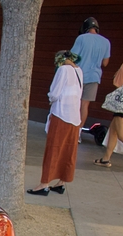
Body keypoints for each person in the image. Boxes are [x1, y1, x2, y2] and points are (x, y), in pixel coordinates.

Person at [27, 50, 83, 195]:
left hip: (61, 114)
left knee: (54, 148)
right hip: (75, 116)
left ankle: (44, 184)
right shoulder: (79, 71)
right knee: (69, 150)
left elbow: (54, 93)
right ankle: (62, 182)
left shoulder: (63, 70)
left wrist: (50, 99)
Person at [94, 40, 123, 177]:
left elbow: (117, 83)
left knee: (122, 135)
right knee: (113, 130)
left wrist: (116, 76)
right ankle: (106, 159)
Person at [70, 17, 110, 141]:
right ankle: (78, 133)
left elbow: (72, 56)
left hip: (79, 75)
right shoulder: (106, 42)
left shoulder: (81, 38)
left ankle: (71, 130)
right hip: (94, 77)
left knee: (74, 103)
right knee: (84, 105)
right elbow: (105, 63)